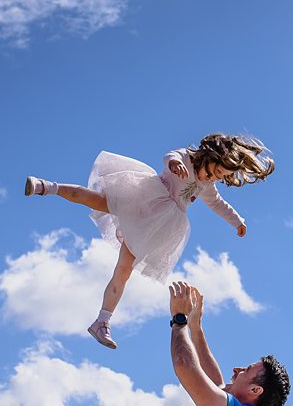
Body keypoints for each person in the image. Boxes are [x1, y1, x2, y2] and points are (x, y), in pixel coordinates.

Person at [24, 134, 274, 349]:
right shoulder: (187, 158)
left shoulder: (206, 185)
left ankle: (102, 321)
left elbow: (218, 204)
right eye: (215, 171)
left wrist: (237, 221)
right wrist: (175, 164)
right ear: (210, 155)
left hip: (153, 226)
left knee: (123, 271)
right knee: (95, 199)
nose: (213, 178)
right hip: (143, 198)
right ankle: (47, 187)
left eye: (220, 177)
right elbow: (170, 156)